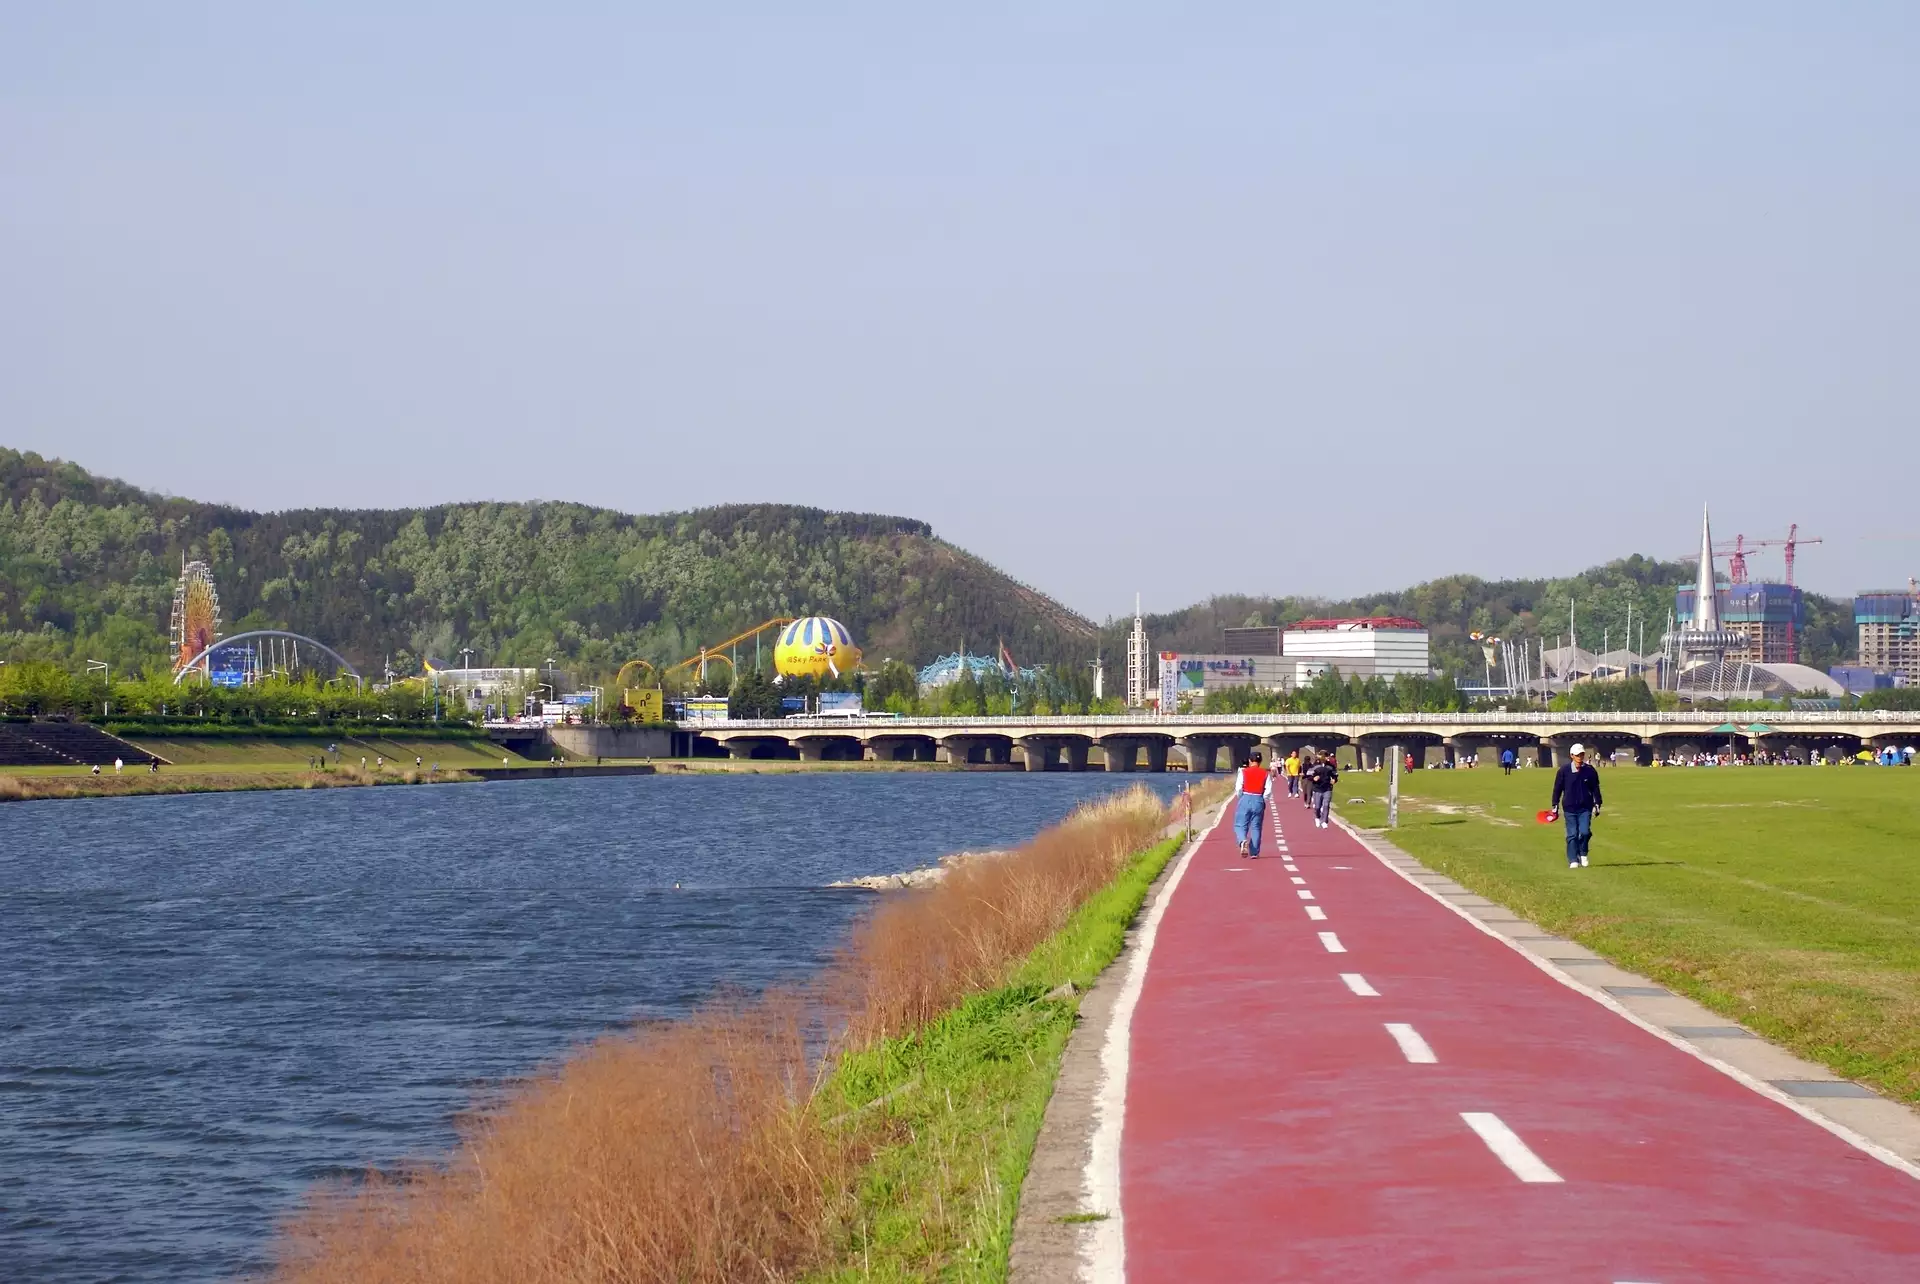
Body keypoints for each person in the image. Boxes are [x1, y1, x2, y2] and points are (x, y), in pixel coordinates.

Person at [1548, 743, 1603, 869]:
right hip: (1569, 807)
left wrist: (1598, 804)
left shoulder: (1590, 770)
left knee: (1584, 832)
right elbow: (1557, 789)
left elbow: (1595, 788)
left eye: (1582, 754)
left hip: (1585, 807)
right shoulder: (1564, 771)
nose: (1580, 757)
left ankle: (1583, 853)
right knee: (1572, 834)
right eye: (1577, 755)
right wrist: (1555, 804)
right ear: (1572, 756)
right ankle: (1573, 859)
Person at [1232, 750, 1272, 858]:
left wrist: (1241, 797)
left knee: (1240, 824)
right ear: (1260, 761)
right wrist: (1263, 799)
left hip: (1246, 797)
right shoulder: (1265, 773)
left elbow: (1238, 788)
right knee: (1256, 827)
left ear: (1250, 760)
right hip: (1258, 799)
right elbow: (1268, 791)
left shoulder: (1243, 772)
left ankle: (1242, 840)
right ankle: (1254, 852)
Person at [1306, 752, 1338, 829]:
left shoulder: (1330, 766)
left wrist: (1334, 780)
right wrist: (1313, 778)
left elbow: (1335, 775)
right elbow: (1308, 775)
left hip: (1327, 788)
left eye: (1326, 756)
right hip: (1317, 788)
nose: (1326, 758)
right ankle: (1317, 817)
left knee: (1326, 805)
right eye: (1324, 756)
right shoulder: (1315, 765)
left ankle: (1324, 821)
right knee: (1317, 806)